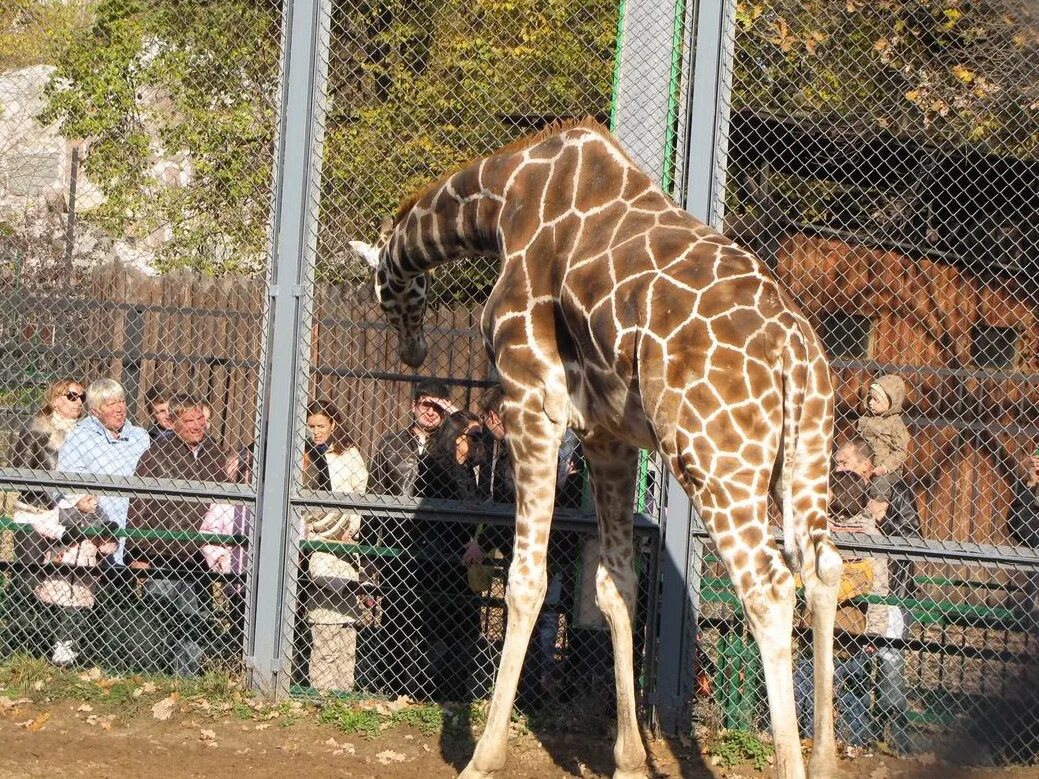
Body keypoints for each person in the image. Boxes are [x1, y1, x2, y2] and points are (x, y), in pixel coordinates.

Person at [46, 378, 151, 664]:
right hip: (93, 530)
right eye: (109, 404)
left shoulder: (140, 437)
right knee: (79, 593)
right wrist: (80, 501)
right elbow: (64, 484)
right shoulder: (81, 437)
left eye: (121, 402)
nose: (118, 409)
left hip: (130, 531)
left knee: (120, 598)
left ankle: (115, 658)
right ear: (94, 411)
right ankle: (67, 652)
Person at [127, 394, 224, 676]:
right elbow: (138, 505)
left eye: (200, 419)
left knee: (196, 619)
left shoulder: (213, 453)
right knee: (160, 617)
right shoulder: (156, 454)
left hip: (198, 556)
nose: (197, 426)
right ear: (173, 422)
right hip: (163, 552)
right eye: (189, 420)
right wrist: (139, 553)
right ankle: (153, 674)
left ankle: (187, 677)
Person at [7, 378, 93, 664]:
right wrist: (55, 498)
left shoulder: (87, 431)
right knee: (29, 577)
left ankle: (64, 646)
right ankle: (24, 643)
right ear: (56, 399)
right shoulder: (36, 428)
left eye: (81, 397)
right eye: (72, 396)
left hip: (74, 515)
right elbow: (20, 471)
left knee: (68, 580)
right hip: (37, 512)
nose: (78, 401)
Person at [409, 410, 488, 700]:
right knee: (438, 628)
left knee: (466, 628)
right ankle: (432, 692)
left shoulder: (467, 470)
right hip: (439, 559)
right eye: (475, 436)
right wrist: (466, 541)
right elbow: (440, 516)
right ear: (457, 439)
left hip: (462, 561)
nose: (480, 442)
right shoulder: (436, 467)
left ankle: (456, 691)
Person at [298, 400, 371, 693]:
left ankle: (344, 689)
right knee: (324, 623)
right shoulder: (305, 457)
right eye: (311, 426)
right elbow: (307, 508)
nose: (315, 432)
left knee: (346, 628)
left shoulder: (349, 456)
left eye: (321, 426)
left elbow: (360, 498)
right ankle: (322, 689)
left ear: (333, 425)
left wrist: (350, 528)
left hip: (347, 545)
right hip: (319, 542)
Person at [199, 445, 255, 656]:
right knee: (239, 627)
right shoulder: (226, 502)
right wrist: (219, 557)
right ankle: (239, 663)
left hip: (270, 577)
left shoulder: (272, 496)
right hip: (238, 576)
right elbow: (208, 533)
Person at [369, 378, 454, 498]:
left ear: (445, 412)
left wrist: (454, 414)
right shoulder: (390, 444)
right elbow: (375, 491)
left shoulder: (450, 445)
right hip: (396, 515)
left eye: (437, 407)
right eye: (426, 405)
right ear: (414, 406)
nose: (431, 412)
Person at [855, 374, 911, 503]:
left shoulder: (896, 424)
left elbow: (901, 451)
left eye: (876, 400)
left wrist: (885, 467)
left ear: (891, 402)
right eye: (870, 398)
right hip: (863, 465)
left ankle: (877, 515)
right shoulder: (865, 419)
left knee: (879, 486)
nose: (870, 403)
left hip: (885, 471)